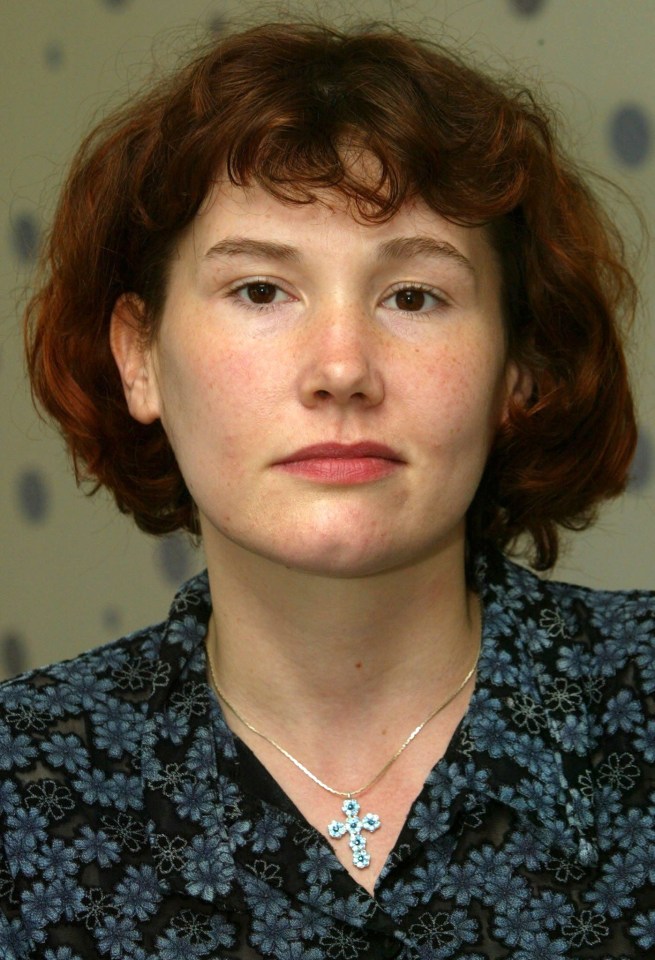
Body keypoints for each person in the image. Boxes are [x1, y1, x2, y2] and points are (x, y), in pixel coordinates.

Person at [2, 20, 653, 960]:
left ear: (518, 364)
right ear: (139, 357)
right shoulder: (21, 789)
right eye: (261, 290)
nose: (341, 368)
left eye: (413, 296)